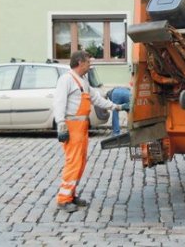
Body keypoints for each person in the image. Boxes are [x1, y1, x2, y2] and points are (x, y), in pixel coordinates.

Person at [52, 51, 129, 213]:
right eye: (88, 62)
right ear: (80, 62)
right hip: (71, 127)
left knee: (80, 162)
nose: (90, 64)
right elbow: (59, 102)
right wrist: (61, 124)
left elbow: (97, 99)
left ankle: (72, 195)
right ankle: (63, 199)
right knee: (73, 162)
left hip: (81, 127)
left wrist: (117, 107)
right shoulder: (66, 80)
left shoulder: (83, 81)